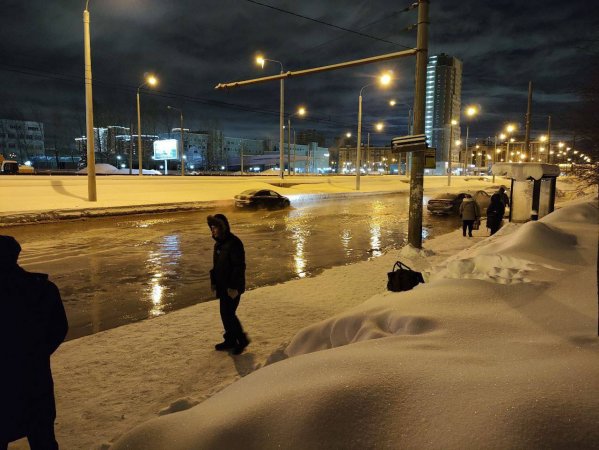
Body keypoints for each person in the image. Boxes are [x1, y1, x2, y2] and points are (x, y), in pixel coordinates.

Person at [0, 235, 68, 450]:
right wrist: (37, 353)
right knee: (42, 438)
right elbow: (59, 328)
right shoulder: (43, 288)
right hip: (35, 380)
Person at [207, 214, 250, 355]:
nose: (213, 231)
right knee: (225, 314)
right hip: (222, 286)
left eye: (215, 228)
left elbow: (239, 267)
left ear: (222, 228)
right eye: (211, 228)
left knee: (229, 314)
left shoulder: (234, 243)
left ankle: (242, 340)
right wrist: (214, 282)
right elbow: (216, 267)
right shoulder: (218, 244)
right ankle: (230, 339)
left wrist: (234, 287)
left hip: (232, 288)